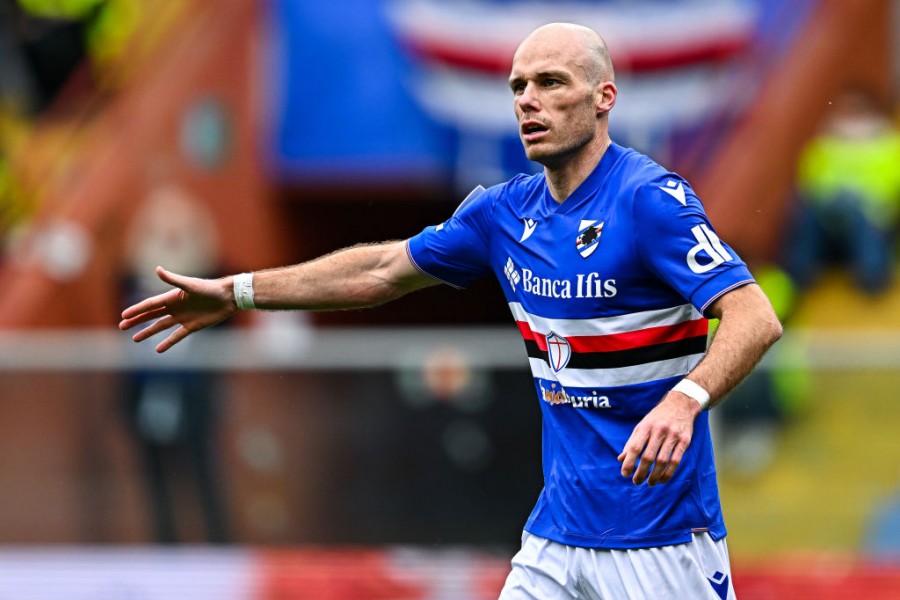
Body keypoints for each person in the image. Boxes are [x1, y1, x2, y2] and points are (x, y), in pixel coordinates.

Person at [120, 23, 782, 600]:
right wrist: (237, 290)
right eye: (519, 86)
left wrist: (684, 399)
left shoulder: (649, 201)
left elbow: (755, 316)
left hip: (660, 539)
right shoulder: (502, 213)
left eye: (551, 83)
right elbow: (380, 270)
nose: (529, 100)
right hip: (557, 535)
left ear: (604, 97)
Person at [782, 86, 900, 295]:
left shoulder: (890, 144)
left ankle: (872, 277)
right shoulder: (825, 144)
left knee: (859, 215)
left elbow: (890, 188)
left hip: (872, 215)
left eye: (856, 109)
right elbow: (810, 183)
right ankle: (799, 277)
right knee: (806, 214)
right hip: (830, 215)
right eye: (845, 109)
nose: (850, 116)